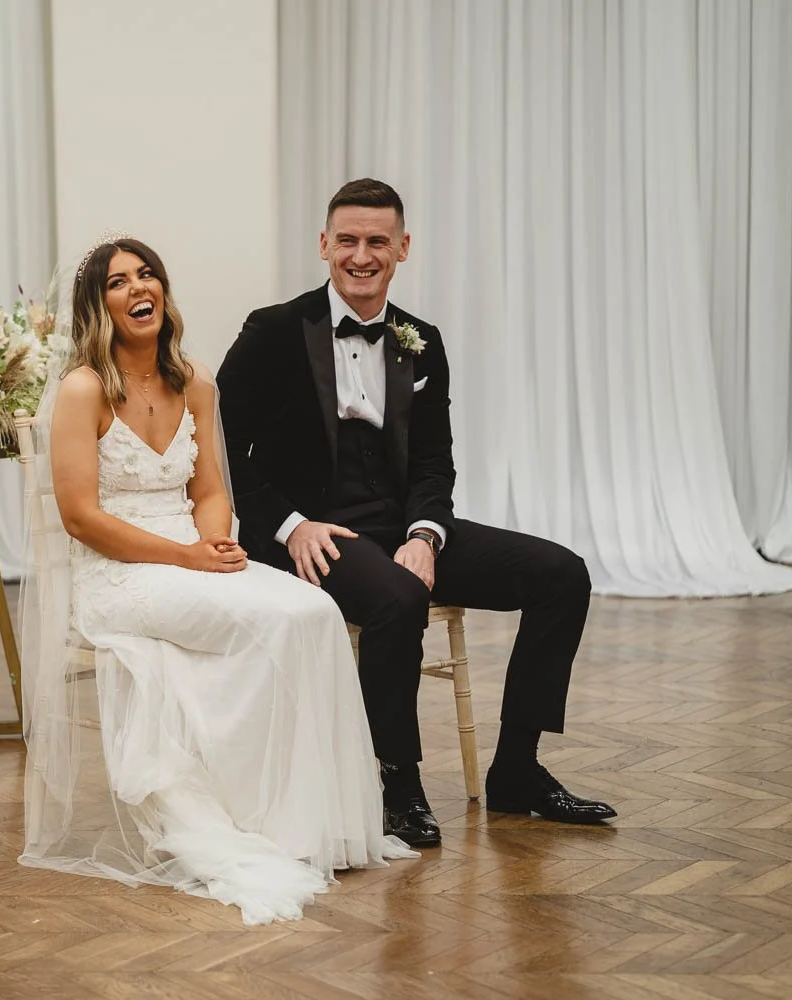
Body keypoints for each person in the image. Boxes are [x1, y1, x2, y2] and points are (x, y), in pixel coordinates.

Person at [19, 233, 413, 926]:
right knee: (271, 622)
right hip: (118, 574)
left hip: (192, 553)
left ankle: (322, 822)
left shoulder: (194, 379)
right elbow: (81, 518)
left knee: (312, 613)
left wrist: (214, 539)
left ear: (164, 292)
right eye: (118, 282)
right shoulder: (84, 390)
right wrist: (187, 560)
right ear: (98, 305)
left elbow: (209, 489)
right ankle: (259, 821)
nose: (139, 289)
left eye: (148, 276)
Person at [217, 178, 616, 849]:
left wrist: (427, 534)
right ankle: (396, 783)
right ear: (324, 245)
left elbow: (434, 461)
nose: (362, 254)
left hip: (400, 527)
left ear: (403, 248)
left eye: (378, 241)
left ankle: (517, 769)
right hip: (315, 533)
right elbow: (223, 445)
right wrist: (290, 526)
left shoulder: (419, 340)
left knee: (562, 573)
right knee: (398, 600)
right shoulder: (275, 330)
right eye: (348, 240)